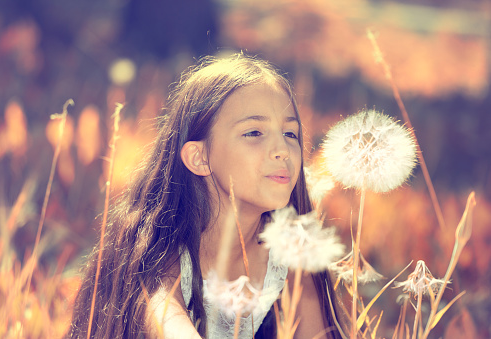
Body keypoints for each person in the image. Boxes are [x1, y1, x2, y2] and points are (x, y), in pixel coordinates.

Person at [68, 54, 342, 338]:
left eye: (290, 133)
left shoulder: (292, 263)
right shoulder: (160, 259)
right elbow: (167, 320)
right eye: (254, 132)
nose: (282, 149)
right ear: (199, 157)